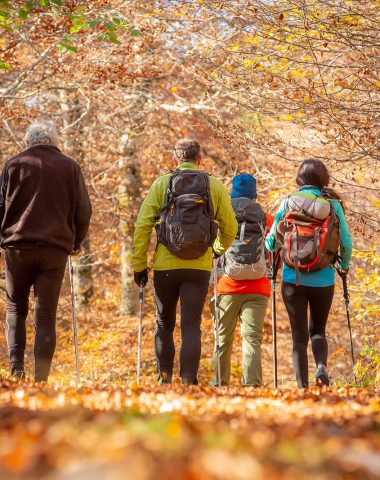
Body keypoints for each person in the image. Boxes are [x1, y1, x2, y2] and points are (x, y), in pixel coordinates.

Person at [132, 138, 237, 385]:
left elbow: (142, 226)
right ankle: (189, 379)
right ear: (200, 160)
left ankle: (164, 379)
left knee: (164, 322)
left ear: (175, 160)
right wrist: (216, 250)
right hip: (198, 266)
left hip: (166, 266)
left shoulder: (162, 184)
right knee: (191, 325)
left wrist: (139, 265)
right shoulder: (213, 185)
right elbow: (230, 227)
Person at [0, 121, 92, 382]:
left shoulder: (14, 165)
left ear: (28, 140)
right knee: (46, 314)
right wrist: (75, 242)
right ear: (54, 140)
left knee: (16, 308)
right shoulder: (70, 167)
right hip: (55, 248)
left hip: (17, 247)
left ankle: (16, 370)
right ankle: (41, 378)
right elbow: (84, 210)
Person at [265, 159, 352, 388]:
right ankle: (321, 368)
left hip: (293, 279)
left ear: (299, 179)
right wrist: (344, 266)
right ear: (323, 180)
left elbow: (272, 242)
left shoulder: (288, 202)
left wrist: (277, 245)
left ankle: (302, 388)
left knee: (298, 337)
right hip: (323, 279)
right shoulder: (331, 205)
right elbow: (346, 241)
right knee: (318, 331)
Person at [210, 174, 273, 387]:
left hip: (227, 286)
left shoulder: (222, 216)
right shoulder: (266, 217)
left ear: (233, 193)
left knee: (222, 339)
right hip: (258, 287)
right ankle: (252, 385)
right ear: (254, 194)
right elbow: (275, 248)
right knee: (252, 339)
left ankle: (218, 384)